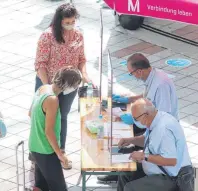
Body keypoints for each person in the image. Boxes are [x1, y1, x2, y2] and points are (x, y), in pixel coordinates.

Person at [98, 53, 179, 182]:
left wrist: (136, 120)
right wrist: (130, 99)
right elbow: (147, 95)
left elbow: (163, 115)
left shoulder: (161, 84)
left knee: (130, 132)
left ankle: (129, 171)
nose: (132, 76)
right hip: (150, 121)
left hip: (160, 128)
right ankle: (120, 170)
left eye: (131, 73)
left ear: (139, 71)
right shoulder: (152, 76)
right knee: (127, 135)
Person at [33, 3, 94, 157]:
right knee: (44, 117)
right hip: (49, 82)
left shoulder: (78, 35)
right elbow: (40, 64)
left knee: (63, 115)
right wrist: (47, 87)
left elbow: (81, 59)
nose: (70, 25)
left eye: (73, 22)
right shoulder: (47, 36)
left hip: (70, 85)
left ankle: (61, 151)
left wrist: (85, 74)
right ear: (59, 20)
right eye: (67, 22)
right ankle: (38, 152)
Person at [117, 98, 194, 191]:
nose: (135, 121)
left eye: (136, 119)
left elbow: (171, 161)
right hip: (157, 167)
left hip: (172, 176)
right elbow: (147, 139)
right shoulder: (155, 119)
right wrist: (130, 140)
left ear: (146, 114)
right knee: (125, 172)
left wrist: (143, 156)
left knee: (130, 188)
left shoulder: (164, 129)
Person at [28, 68, 82, 191]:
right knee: (59, 187)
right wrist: (60, 154)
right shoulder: (52, 99)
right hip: (45, 149)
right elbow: (49, 131)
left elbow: (30, 113)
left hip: (35, 145)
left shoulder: (43, 88)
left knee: (41, 185)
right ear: (68, 86)